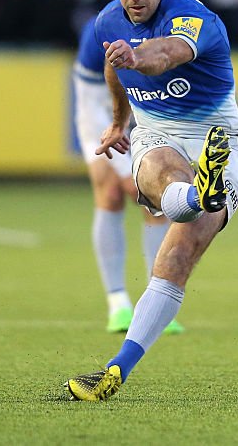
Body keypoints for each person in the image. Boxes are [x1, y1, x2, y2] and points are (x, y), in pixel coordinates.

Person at [65, 0, 238, 402]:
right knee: (165, 173)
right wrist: (118, 120)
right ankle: (112, 374)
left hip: (216, 140)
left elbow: (165, 54)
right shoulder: (107, 21)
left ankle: (199, 194)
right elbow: (113, 66)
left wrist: (134, 57)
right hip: (156, 135)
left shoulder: (195, 18)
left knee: (175, 261)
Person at [72, 17, 184, 335]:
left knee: (155, 197)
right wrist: (116, 122)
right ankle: (117, 303)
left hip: (146, 97)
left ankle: (156, 301)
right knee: (114, 190)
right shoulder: (103, 25)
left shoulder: (175, 19)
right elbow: (98, 87)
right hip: (99, 100)